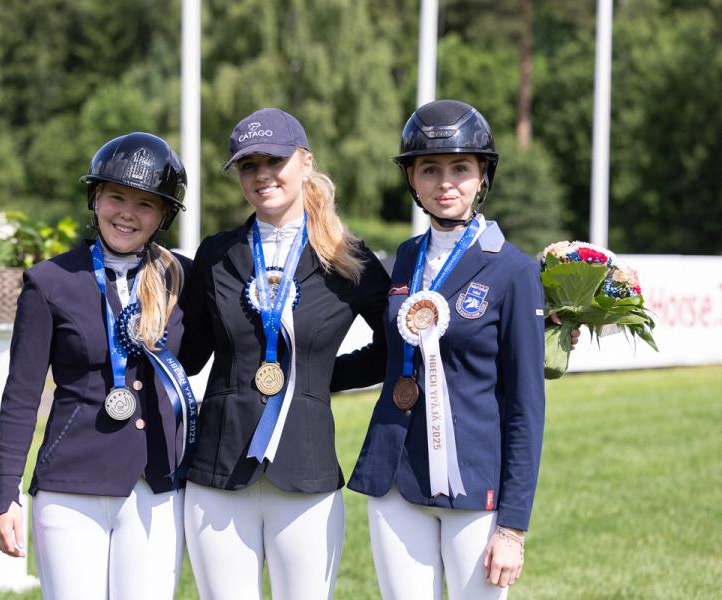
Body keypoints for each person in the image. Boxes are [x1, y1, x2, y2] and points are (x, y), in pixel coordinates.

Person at [179, 107, 390, 599]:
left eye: (274, 160)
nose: (262, 175)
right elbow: (190, 354)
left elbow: (394, 347)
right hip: (218, 470)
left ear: (305, 162)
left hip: (306, 471)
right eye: (248, 165)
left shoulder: (349, 259)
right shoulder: (215, 253)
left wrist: (316, 378)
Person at [347, 99, 546, 599]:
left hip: (474, 486)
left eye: (460, 168)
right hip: (395, 476)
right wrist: (305, 373)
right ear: (412, 180)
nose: (445, 182)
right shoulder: (406, 257)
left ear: (482, 176)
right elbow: (389, 356)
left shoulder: (515, 270)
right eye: (430, 169)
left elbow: (526, 407)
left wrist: (513, 527)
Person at [0, 132, 198, 600]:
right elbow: (21, 395)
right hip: (70, 484)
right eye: (116, 197)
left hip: (155, 486)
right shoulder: (49, 281)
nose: (127, 213)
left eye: (145, 204)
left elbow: (200, 356)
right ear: (96, 198)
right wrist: (5, 494)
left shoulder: (183, 278)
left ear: (164, 215)